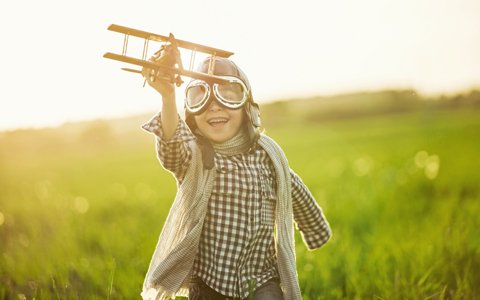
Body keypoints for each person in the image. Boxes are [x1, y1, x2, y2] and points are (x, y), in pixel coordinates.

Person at [140, 53, 332, 300]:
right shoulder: (196, 159)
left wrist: (316, 230)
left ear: (247, 107)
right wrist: (168, 96)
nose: (214, 107)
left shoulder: (269, 157)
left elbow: (295, 191)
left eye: (229, 95)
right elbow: (171, 147)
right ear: (192, 115)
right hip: (211, 282)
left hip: (261, 277)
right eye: (201, 99)